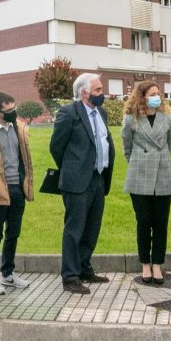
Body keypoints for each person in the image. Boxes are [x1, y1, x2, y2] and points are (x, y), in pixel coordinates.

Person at [49, 73, 115, 295]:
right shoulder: (69, 113)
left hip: (98, 177)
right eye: (97, 90)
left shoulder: (101, 113)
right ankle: (70, 277)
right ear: (84, 93)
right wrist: (72, 167)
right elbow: (56, 147)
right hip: (77, 181)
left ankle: (85, 268)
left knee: (92, 228)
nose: (101, 93)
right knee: (74, 229)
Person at [121, 80, 171, 285]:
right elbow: (127, 148)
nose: (157, 96)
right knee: (143, 222)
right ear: (142, 96)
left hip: (163, 175)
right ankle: (145, 263)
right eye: (153, 93)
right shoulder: (131, 120)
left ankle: (157, 264)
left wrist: (158, 160)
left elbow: (170, 146)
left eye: (158, 92)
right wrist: (140, 162)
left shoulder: (169, 119)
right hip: (139, 175)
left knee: (161, 223)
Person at [0, 91, 34, 295]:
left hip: (17, 187)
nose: (13, 112)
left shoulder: (19, 127)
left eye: (14, 108)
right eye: (8, 110)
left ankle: (8, 273)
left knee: (13, 232)